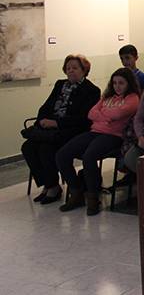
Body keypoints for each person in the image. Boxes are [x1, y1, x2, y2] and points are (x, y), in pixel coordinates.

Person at [56, 68, 140, 215]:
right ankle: (76, 192)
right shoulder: (107, 97)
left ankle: (93, 197)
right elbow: (91, 113)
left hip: (114, 136)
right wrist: (107, 117)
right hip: (95, 132)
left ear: (129, 84)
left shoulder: (133, 98)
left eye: (121, 83)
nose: (117, 86)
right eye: (114, 83)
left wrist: (102, 115)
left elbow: (118, 113)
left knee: (89, 157)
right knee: (62, 155)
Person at [21, 55, 101, 204]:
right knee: (28, 147)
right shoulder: (60, 84)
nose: (70, 71)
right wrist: (42, 121)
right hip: (51, 129)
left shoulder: (91, 90)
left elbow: (83, 119)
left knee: (46, 148)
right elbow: (46, 106)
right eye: (68, 68)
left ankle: (53, 189)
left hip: (72, 131)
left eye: (75, 68)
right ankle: (49, 184)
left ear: (84, 70)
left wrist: (56, 123)